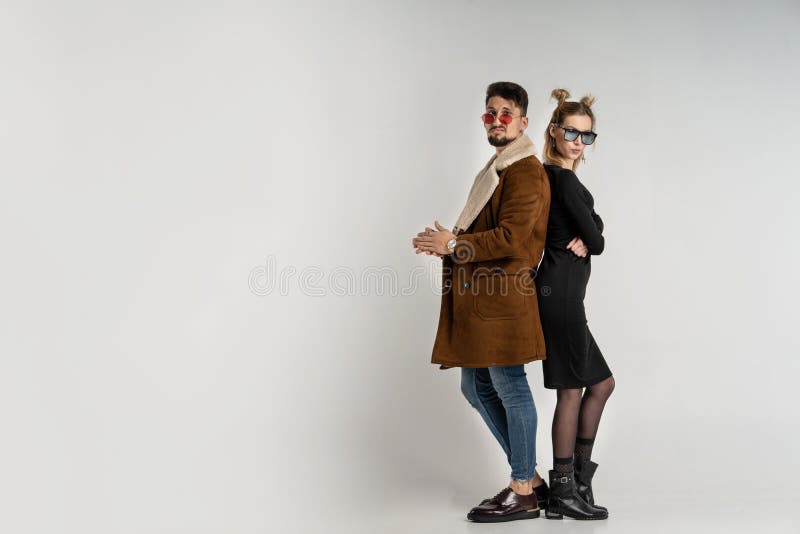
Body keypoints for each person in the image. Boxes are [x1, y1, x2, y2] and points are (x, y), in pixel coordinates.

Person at [411, 81, 551, 523]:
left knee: (509, 386)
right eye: (490, 113)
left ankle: (522, 488)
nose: (495, 120)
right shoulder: (500, 167)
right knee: (474, 386)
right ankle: (529, 478)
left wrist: (453, 244)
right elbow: (485, 232)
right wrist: (447, 243)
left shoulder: (525, 170)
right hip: (486, 299)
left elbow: (512, 239)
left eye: (505, 113)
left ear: (524, 122)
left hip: (504, 299)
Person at [536, 88, 614, 520]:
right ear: (554, 131)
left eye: (587, 136)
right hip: (560, 295)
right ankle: (563, 491)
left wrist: (592, 227)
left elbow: (594, 230)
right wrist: (593, 231)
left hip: (564, 294)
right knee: (572, 390)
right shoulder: (561, 177)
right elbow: (598, 240)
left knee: (601, 384)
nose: (579, 143)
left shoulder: (562, 178)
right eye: (571, 133)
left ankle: (578, 483)